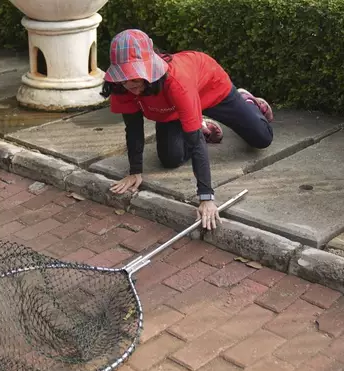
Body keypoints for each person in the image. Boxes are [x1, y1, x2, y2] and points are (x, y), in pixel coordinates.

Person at [100, 29, 275, 231]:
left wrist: (206, 197)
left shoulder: (176, 82)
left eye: (136, 77)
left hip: (211, 88)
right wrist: (135, 171)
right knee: (170, 159)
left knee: (262, 138)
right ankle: (200, 123)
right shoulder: (122, 88)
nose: (130, 84)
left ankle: (247, 102)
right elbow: (133, 128)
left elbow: (195, 141)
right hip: (172, 110)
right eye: (124, 76)